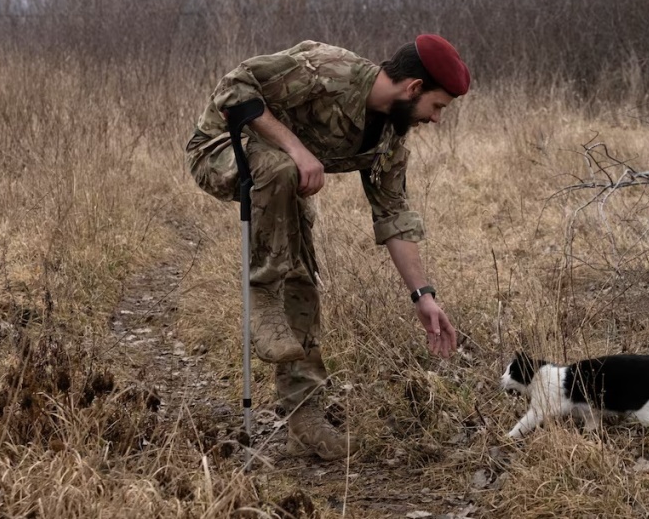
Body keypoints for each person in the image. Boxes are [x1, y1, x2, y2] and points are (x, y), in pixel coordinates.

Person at [185, 35, 470, 460]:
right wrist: (298, 148)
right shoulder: (326, 70)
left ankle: (305, 419)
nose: (437, 119)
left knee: (302, 276)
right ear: (413, 88)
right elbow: (234, 88)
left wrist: (422, 296)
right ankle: (261, 296)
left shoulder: (389, 140)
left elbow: (393, 218)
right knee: (280, 168)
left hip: (284, 182)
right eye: (438, 106)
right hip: (223, 150)